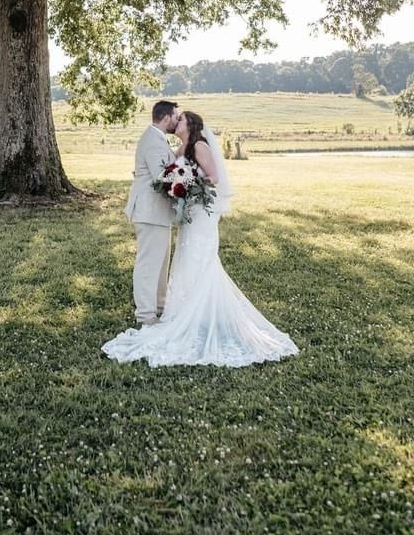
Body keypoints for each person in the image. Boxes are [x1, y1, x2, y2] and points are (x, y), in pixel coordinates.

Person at [103, 110, 299, 367]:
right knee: (185, 261)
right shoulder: (181, 147)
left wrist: (189, 182)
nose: (177, 122)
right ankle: (185, 312)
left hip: (201, 215)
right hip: (189, 213)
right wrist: (177, 184)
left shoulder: (199, 145)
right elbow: (167, 174)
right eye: (176, 117)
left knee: (200, 260)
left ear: (191, 124)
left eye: (181, 119)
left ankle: (200, 314)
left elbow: (214, 177)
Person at [124, 100, 180, 327]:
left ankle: (159, 306)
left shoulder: (158, 139)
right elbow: (163, 178)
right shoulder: (153, 141)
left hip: (158, 213)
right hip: (149, 211)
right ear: (166, 118)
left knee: (161, 263)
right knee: (148, 264)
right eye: (175, 116)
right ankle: (146, 315)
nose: (177, 121)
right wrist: (186, 187)